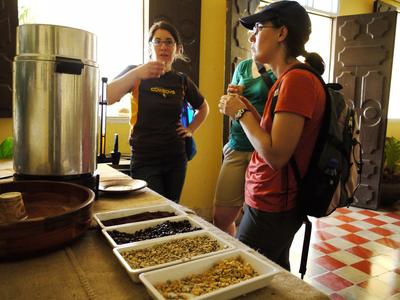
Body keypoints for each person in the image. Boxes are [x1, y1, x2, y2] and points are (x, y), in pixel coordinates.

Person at [218, 0, 326, 271]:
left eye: (258, 27)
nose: (252, 37)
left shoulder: (297, 81)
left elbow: (276, 154)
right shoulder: (286, 79)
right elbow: (270, 135)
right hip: (270, 198)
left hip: (273, 201)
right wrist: (244, 109)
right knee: (275, 276)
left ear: (281, 33)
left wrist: (241, 114)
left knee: (245, 274)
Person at [107, 21, 209, 203]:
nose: (163, 46)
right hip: (145, 158)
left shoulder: (181, 80)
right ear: (150, 46)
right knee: (152, 211)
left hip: (176, 158)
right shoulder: (136, 73)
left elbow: (203, 107)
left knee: (172, 209)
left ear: (177, 48)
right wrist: (137, 73)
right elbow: (107, 97)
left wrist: (191, 129)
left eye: (169, 42)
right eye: (157, 41)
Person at [213, 58, 276, 236]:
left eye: (259, 28)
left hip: (263, 149)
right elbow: (231, 103)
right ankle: (229, 258)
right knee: (221, 218)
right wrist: (234, 96)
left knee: (259, 222)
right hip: (237, 146)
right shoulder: (243, 66)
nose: (252, 37)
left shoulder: (281, 67)